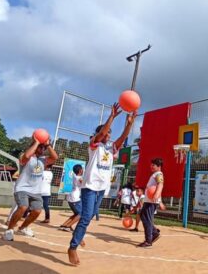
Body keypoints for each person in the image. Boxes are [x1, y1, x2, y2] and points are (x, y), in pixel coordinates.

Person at [68, 103, 137, 266]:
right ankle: (72, 247)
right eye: (106, 133)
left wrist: (129, 124)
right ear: (99, 134)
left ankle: (77, 235)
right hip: (90, 187)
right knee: (86, 217)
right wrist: (112, 117)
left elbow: (121, 139)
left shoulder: (111, 149)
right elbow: (102, 133)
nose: (109, 135)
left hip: (101, 189)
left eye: (110, 134)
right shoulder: (94, 145)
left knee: (89, 216)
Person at [3, 136, 58, 241]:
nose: (42, 150)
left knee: (37, 211)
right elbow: (27, 155)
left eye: (43, 148)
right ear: (35, 146)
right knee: (23, 207)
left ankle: (22, 228)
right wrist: (37, 142)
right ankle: (9, 230)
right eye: (40, 148)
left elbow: (55, 157)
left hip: (36, 191)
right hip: (22, 188)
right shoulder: (25, 157)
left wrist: (48, 145)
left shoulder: (43, 160)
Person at [138, 158, 164, 248]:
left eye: (153, 165)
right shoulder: (154, 174)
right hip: (148, 200)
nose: (151, 166)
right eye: (151, 165)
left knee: (147, 219)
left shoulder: (158, 174)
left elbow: (160, 184)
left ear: (159, 166)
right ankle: (155, 233)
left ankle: (148, 241)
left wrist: (156, 194)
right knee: (142, 215)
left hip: (151, 201)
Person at [59, 164, 84, 232]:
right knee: (81, 214)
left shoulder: (75, 176)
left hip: (71, 197)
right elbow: (84, 183)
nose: (83, 170)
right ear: (80, 170)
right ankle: (68, 226)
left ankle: (64, 225)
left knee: (76, 214)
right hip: (75, 198)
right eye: (82, 169)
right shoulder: (79, 178)